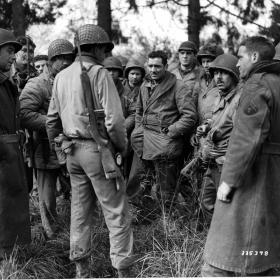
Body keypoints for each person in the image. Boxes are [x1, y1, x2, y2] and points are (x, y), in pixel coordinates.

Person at [46, 24, 134, 278]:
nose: (106, 53)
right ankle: (124, 270)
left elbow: (52, 121)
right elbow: (115, 121)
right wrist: (120, 149)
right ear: (95, 48)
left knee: (80, 211)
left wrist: (62, 151)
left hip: (73, 151)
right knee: (116, 211)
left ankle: (81, 270)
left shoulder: (61, 76)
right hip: (97, 152)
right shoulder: (99, 73)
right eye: (105, 49)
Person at [202, 36, 280, 276]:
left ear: (254, 57)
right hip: (272, 173)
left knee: (222, 258)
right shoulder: (276, 82)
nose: (237, 64)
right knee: (260, 248)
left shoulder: (257, 85)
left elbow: (247, 138)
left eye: (242, 56)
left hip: (250, 174)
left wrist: (228, 181)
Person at [128, 50, 196, 215]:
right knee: (140, 185)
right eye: (150, 66)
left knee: (166, 191)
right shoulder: (145, 85)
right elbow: (139, 111)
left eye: (157, 66)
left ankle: (169, 227)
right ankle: (144, 217)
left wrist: (171, 131)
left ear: (166, 66)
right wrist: (138, 130)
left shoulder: (178, 86)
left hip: (165, 145)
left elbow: (190, 116)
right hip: (143, 142)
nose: (153, 70)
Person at [20, 39, 74, 239]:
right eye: (61, 59)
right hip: (45, 150)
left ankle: (73, 232)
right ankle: (51, 237)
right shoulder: (37, 84)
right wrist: (56, 123)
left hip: (72, 149)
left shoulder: (73, 80)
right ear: (51, 60)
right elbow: (24, 115)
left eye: (69, 58)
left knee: (75, 193)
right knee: (48, 198)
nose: (66, 62)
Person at [195, 54, 240, 219]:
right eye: (215, 73)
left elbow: (242, 134)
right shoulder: (221, 96)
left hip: (225, 163)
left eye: (224, 73)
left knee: (227, 208)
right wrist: (206, 127)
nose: (218, 77)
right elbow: (216, 119)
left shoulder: (239, 99)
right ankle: (211, 243)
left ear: (234, 75)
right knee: (206, 203)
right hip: (212, 161)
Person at [0, 28, 31, 259]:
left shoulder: (6, 81)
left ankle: (10, 256)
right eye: (10, 50)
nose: (14, 56)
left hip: (10, 151)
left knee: (11, 205)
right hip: (3, 153)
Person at [122, 59, 145, 179]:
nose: (135, 77)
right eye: (132, 74)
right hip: (120, 122)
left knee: (132, 155)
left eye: (138, 74)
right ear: (127, 74)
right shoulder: (120, 87)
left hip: (136, 124)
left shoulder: (144, 88)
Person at [194, 43, 224, 124]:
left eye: (209, 61)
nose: (205, 65)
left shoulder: (223, 82)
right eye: (203, 62)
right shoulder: (200, 81)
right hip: (200, 128)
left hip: (215, 127)